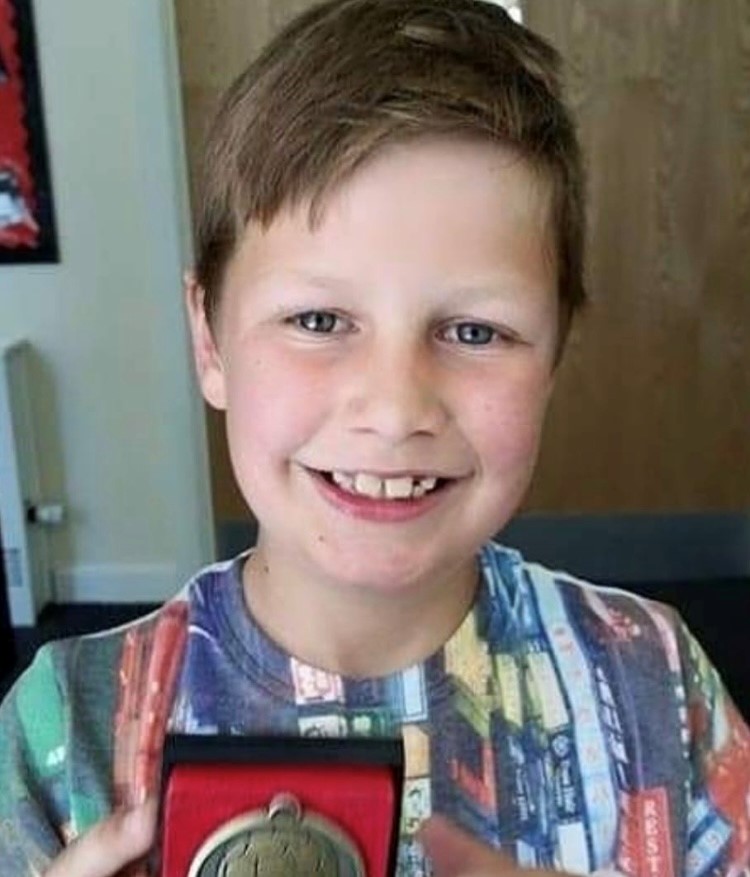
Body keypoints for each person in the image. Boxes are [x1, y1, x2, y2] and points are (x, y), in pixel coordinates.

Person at [1, 1, 749, 875]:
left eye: (475, 331)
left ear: (554, 357)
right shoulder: (65, 725)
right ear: (209, 340)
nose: (395, 410)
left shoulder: (655, 680)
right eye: (319, 318)